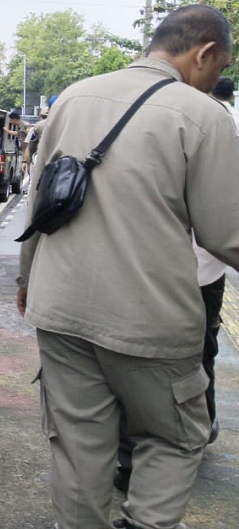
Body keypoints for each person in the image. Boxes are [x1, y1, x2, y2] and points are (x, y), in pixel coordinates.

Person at [17, 3, 236, 529]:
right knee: (174, 436)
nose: (215, 78)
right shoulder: (203, 114)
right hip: (149, 317)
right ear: (204, 51)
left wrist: (27, 278)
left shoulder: (73, 96)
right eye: (219, 66)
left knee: (77, 444)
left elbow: (41, 200)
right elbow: (226, 235)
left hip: (61, 306)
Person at [114, 73, 239, 494]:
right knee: (194, 353)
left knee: (145, 356)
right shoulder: (213, 120)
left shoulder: (164, 116)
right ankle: (190, 432)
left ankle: (141, 451)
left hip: (157, 267)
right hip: (196, 269)